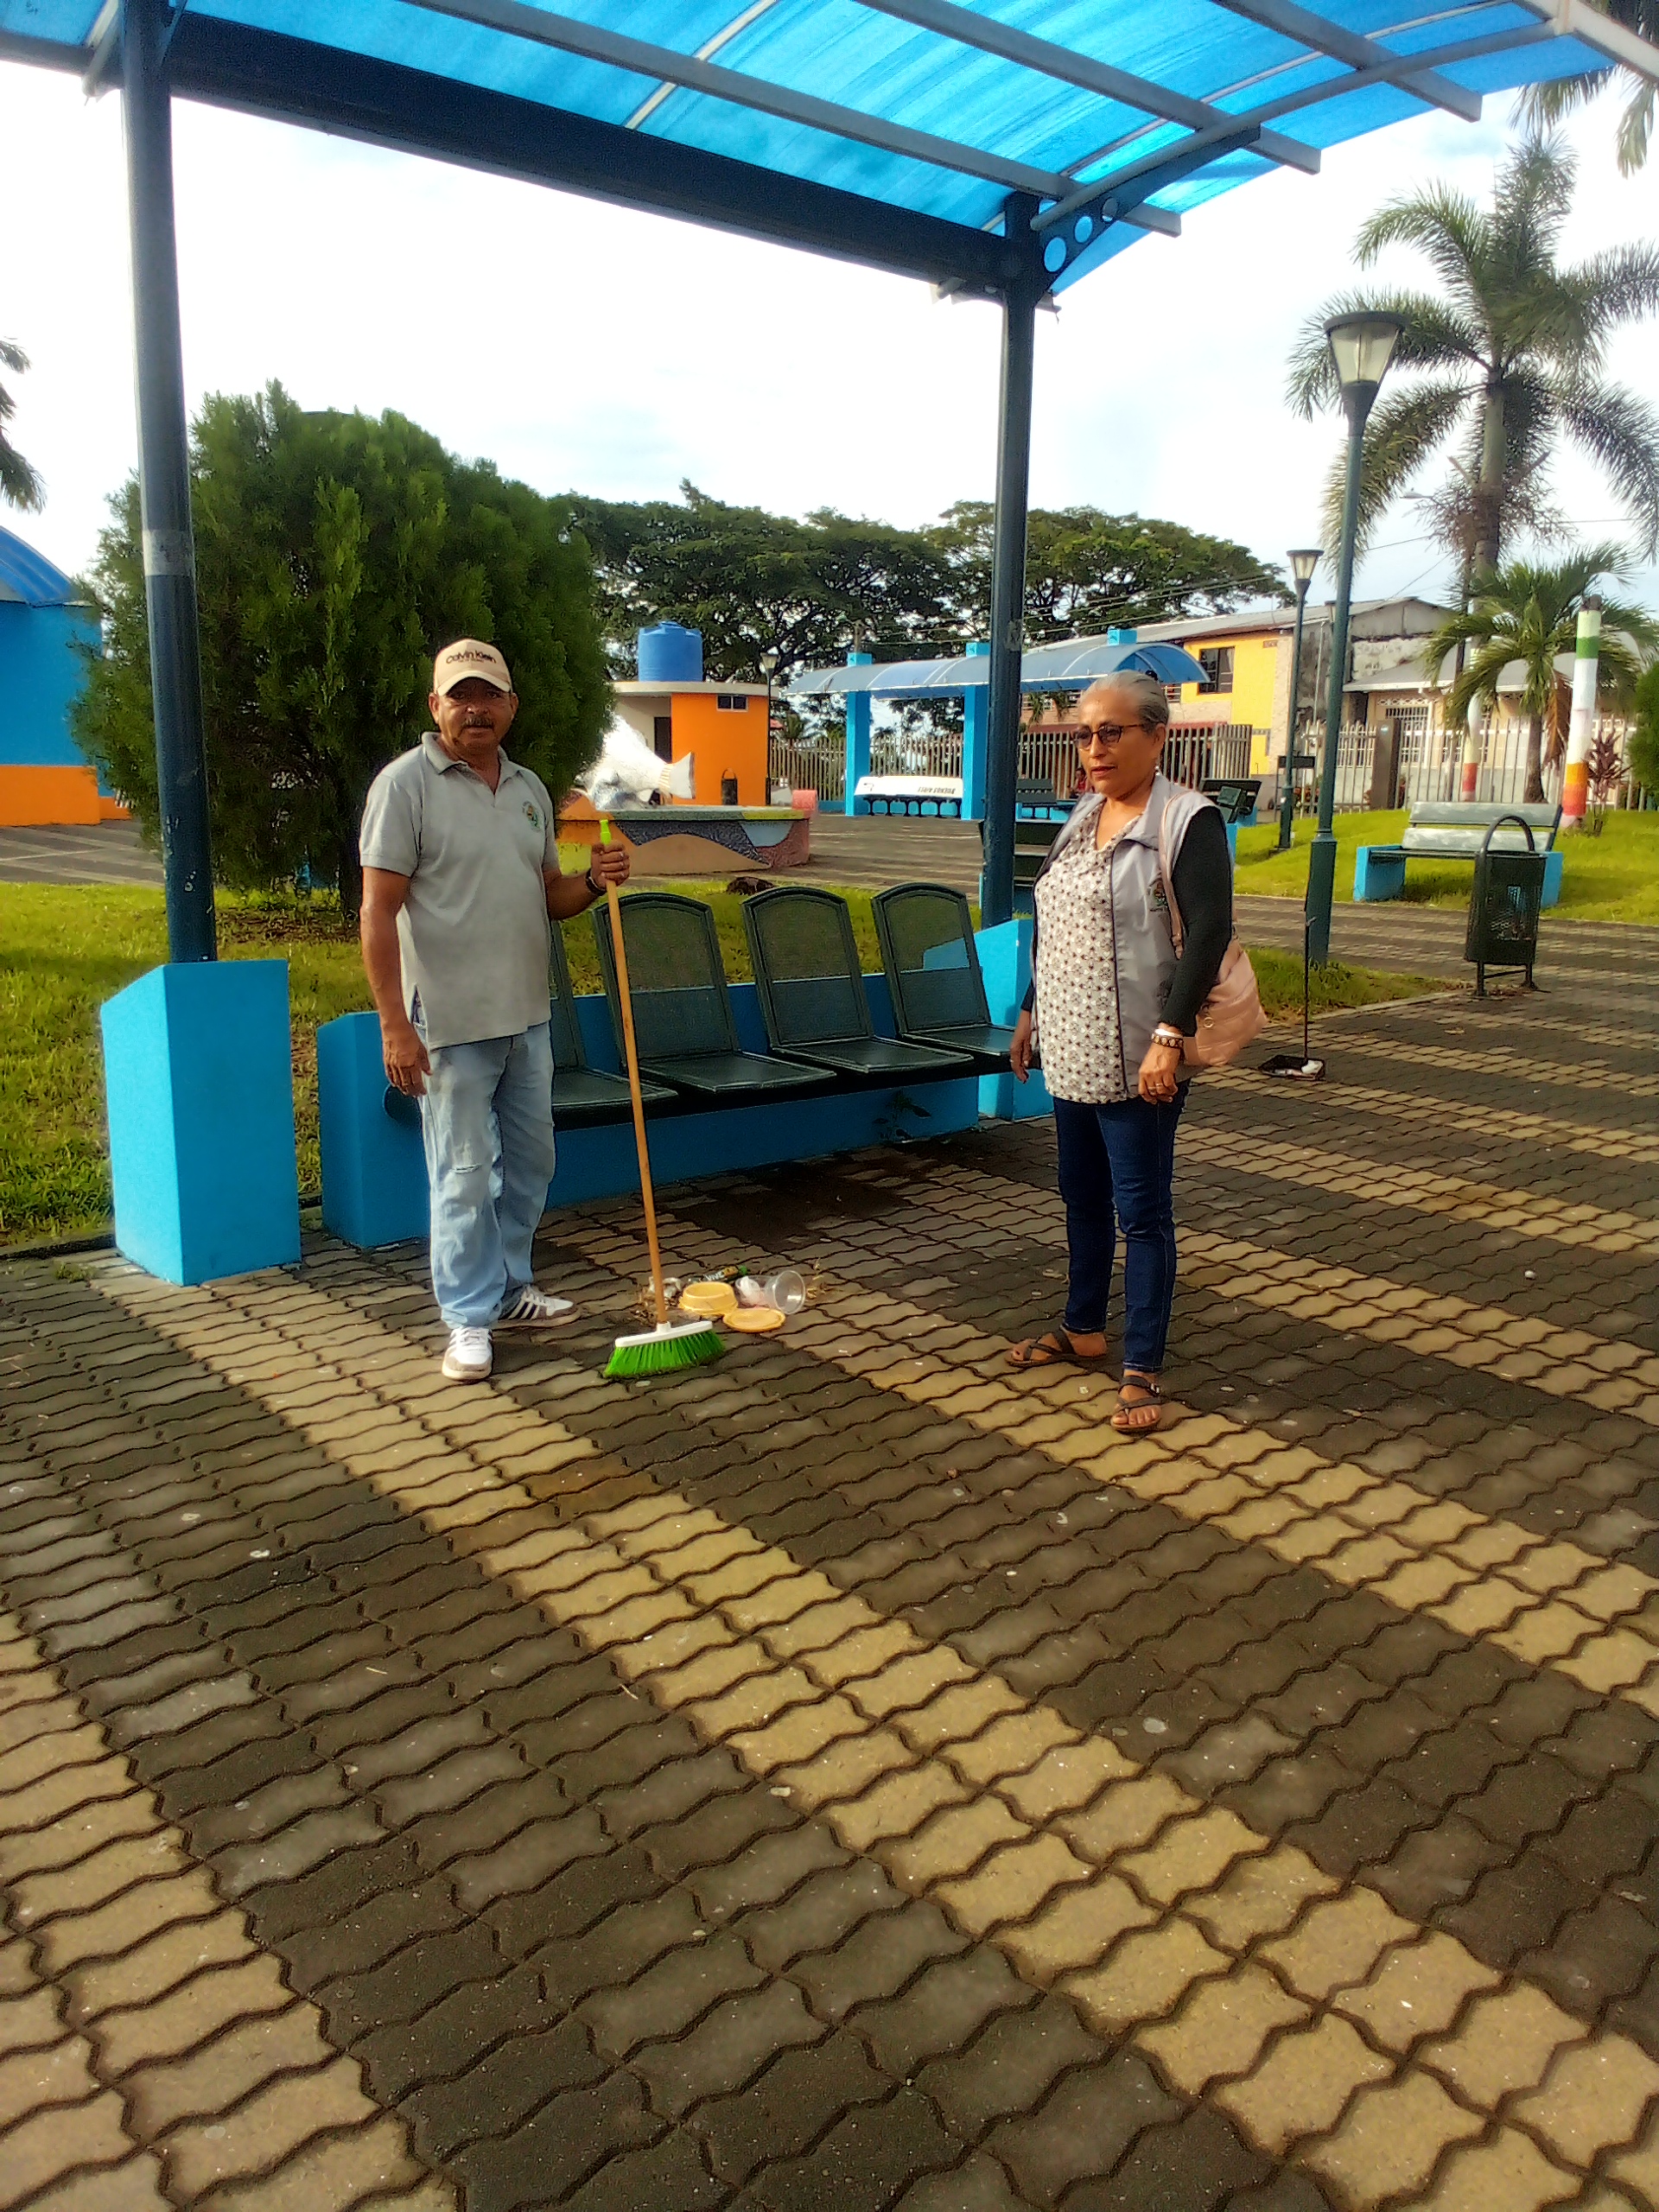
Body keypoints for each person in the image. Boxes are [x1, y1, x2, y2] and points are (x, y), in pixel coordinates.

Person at [359, 638, 629, 1382]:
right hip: (446, 1023)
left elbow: (549, 897)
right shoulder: (404, 785)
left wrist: (593, 882)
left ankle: (511, 1288)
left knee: (534, 1163)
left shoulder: (529, 788)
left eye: (489, 695)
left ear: (511, 705)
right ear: (435, 706)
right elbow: (377, 911)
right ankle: (467, 1319)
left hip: (527, 1018)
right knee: (465, 1175)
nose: (475, 709)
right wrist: (394, 1025)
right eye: (460, 696)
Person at [1007, 672, 1232, 1433]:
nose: (1094, 749)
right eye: (1084, 734)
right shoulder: (1083, 814)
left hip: (1142, 1057)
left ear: (1157, 735)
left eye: (1111, 732)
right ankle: (1082, 1327)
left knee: (1142, 1213)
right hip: (1071, 1049)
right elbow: (1053, 921)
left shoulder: (1187, 820)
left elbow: (1210, 931)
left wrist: (1171, 1036)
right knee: (1080, 1195)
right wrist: (1031, 1011)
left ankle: (1142, 1368)